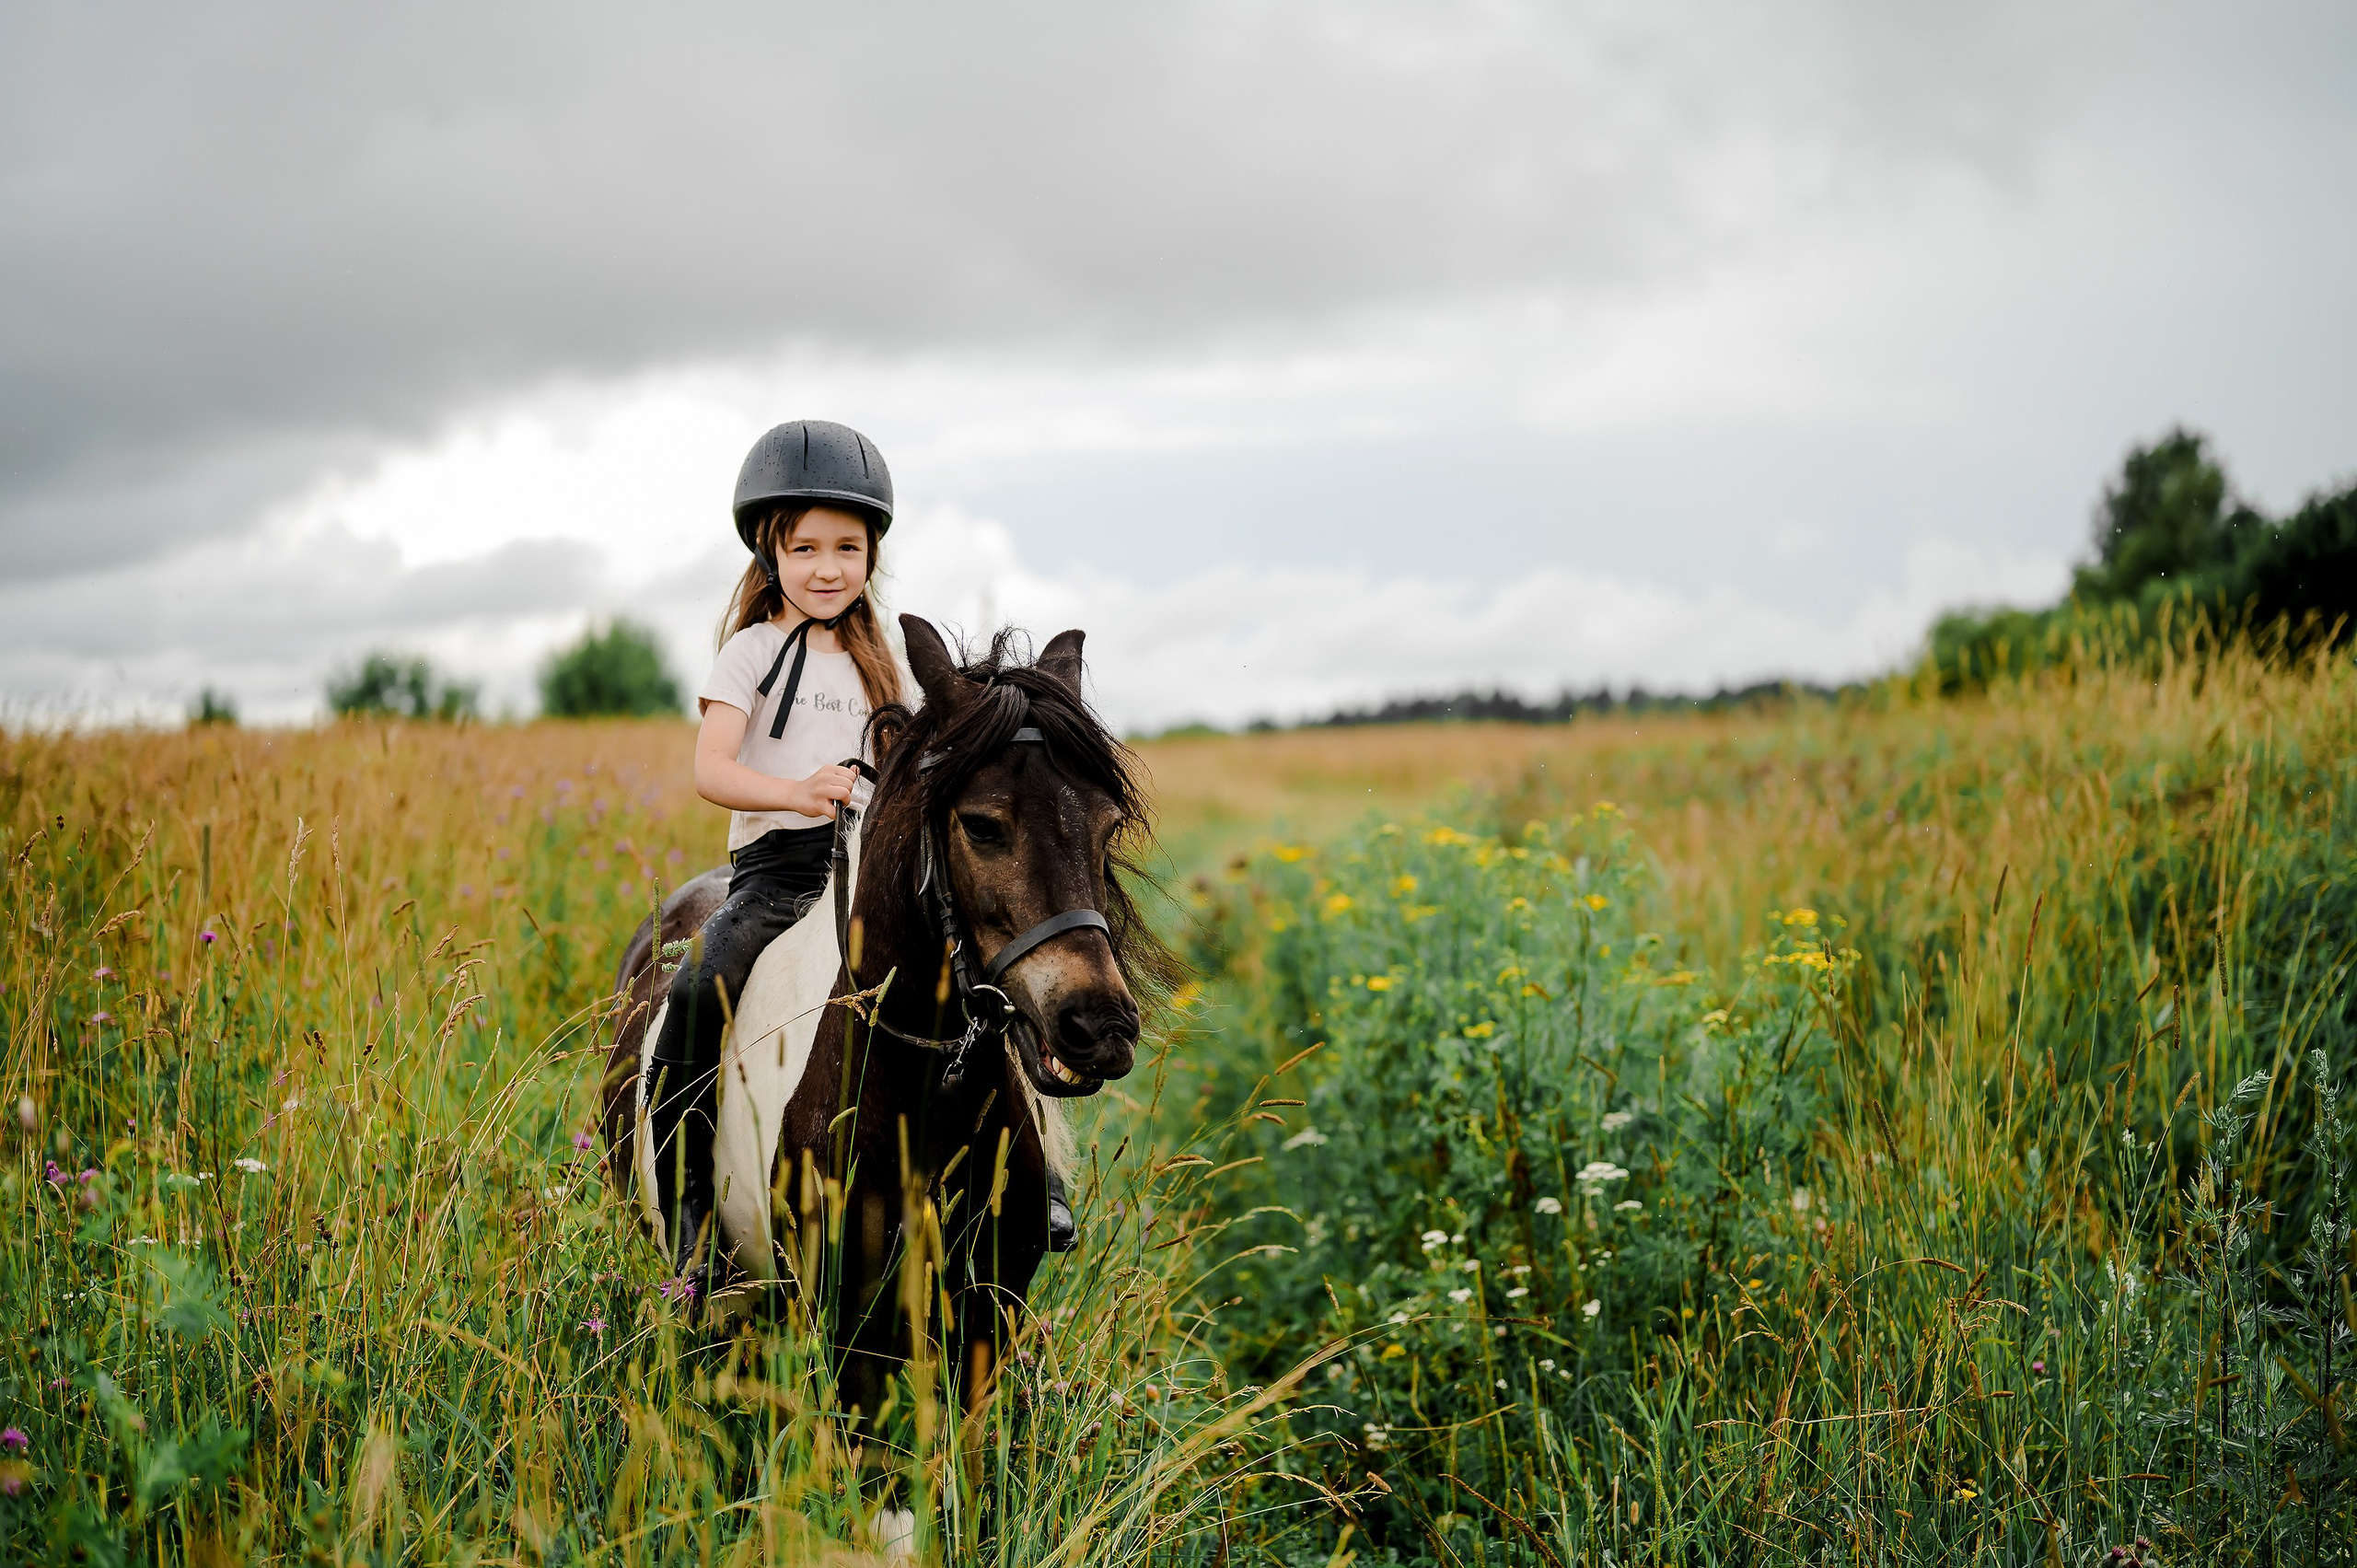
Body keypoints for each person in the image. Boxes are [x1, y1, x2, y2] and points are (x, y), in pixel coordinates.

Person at [645, 419, 904, 1284]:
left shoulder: (883, 663)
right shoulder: (749, 653)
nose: (827, 567)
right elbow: (712, 769)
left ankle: (1032, 1184)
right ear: (770, 553)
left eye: (846, 546)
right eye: (805, 548)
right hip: (777, 875)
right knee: (696, 990)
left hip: (868, 869)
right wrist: (797, 793)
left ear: (870, 554)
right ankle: (687, 1204)